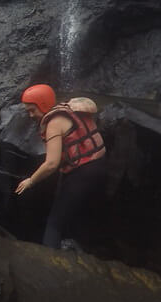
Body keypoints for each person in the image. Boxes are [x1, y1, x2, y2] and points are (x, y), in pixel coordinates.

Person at [14, 83, 107, 249]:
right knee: (79, 212)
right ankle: (81, 247)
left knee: (54, 223)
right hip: (100, 165)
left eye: (32, 110)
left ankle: (50, 263)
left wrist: (31, 181)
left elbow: (51, 163)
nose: (30, 115)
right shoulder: (70, 110)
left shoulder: (54, 123)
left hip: (82, 173)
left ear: (43, 104)